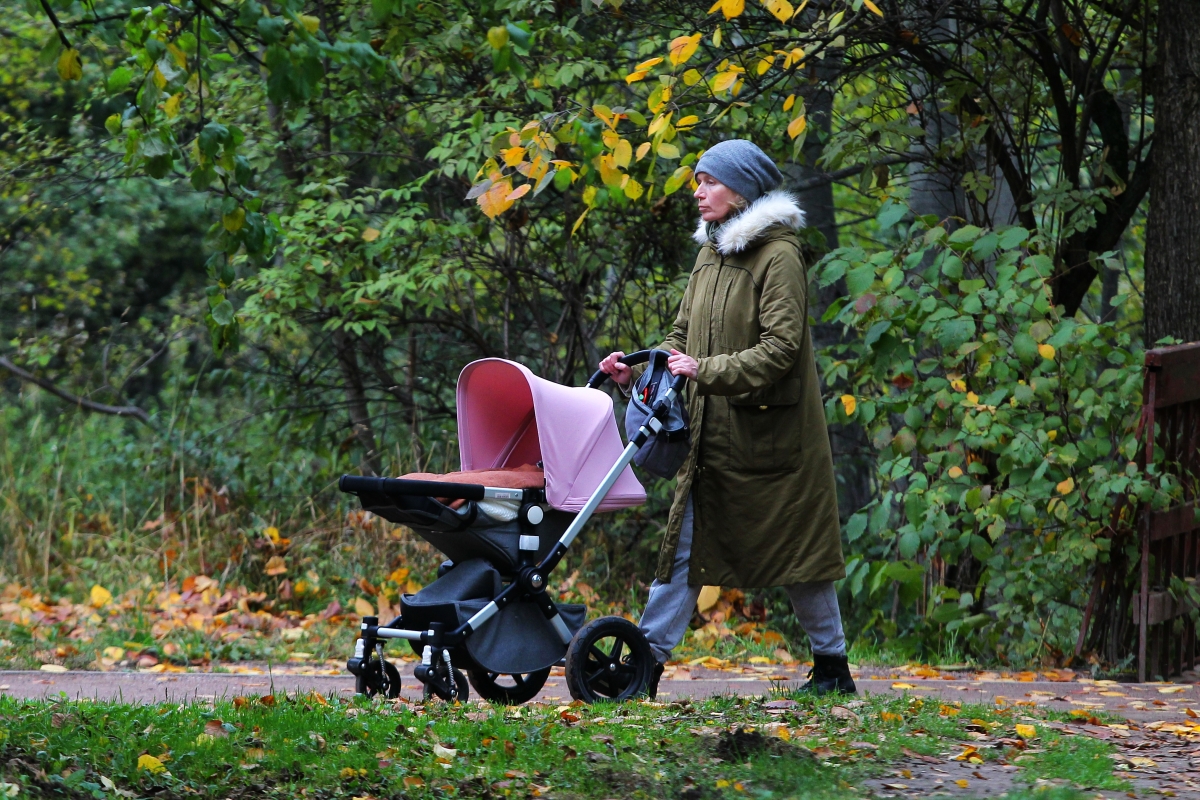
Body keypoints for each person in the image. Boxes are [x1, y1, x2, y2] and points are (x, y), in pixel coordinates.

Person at [598, 138, 855, 697]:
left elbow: (782, 347)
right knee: (686, 544)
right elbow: (679, 338)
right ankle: (646, 664)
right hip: (712, 438)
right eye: (697, 180)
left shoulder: (778, 254)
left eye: (709, 181)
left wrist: (706, 370)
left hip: (772, 441)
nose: (698, 191)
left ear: (741, 188)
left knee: (799, 551)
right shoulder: (710, 252)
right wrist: (640, 369)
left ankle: (832, 667)